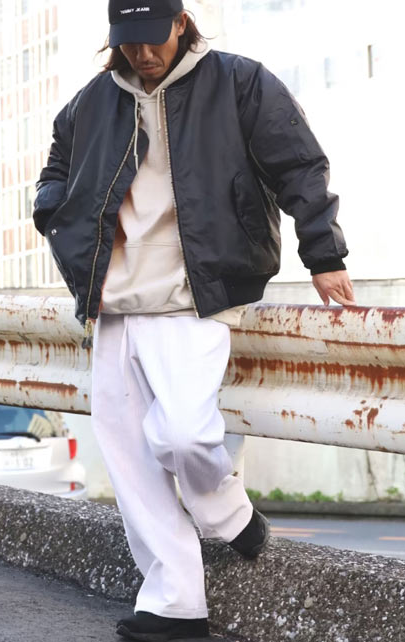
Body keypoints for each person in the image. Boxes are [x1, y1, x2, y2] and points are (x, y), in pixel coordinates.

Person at [32, 1, 356, 639]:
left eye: (153, 38)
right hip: (114, 304)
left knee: (182, 435)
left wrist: (324, 255)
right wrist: (52, 213)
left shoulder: (239, 81)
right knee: (132, 468)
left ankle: (229, 513)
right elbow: (57, 169)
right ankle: (176, 603)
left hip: (192, 297)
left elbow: (299, 164)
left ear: (181, 22)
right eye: (130, 41)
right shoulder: (92, 101)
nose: (143, 53)